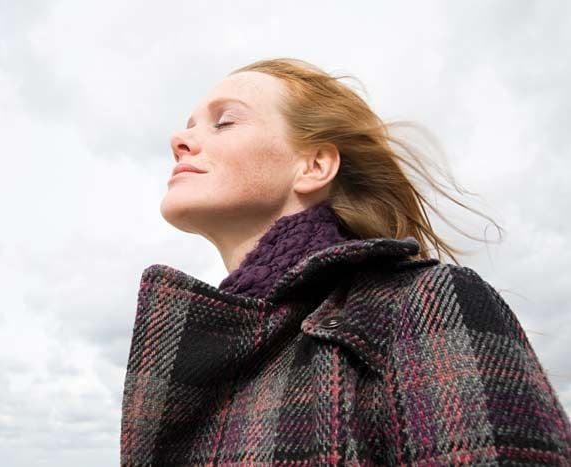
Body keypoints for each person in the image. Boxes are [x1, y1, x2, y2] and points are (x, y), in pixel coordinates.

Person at [119, 58, 571, 466]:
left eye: (224, 122)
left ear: (314, 165)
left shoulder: (418, 304)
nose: (179, 140)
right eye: (188, 125)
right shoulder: (213, 360)